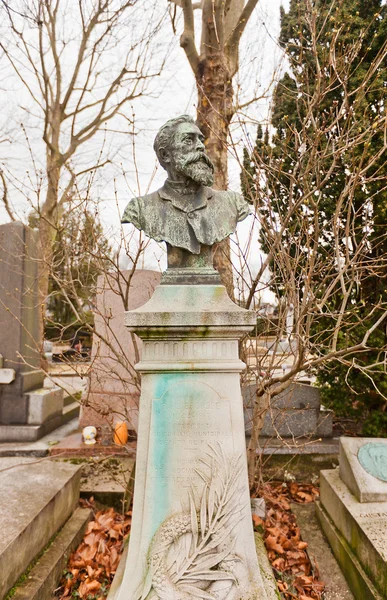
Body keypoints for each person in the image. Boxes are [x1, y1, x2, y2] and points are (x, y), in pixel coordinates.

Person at [121, 115, 249, 255]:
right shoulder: (140, 208)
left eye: (201, 140)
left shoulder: (232, 203)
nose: (201, 146)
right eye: (189, 140)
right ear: (165, 155)